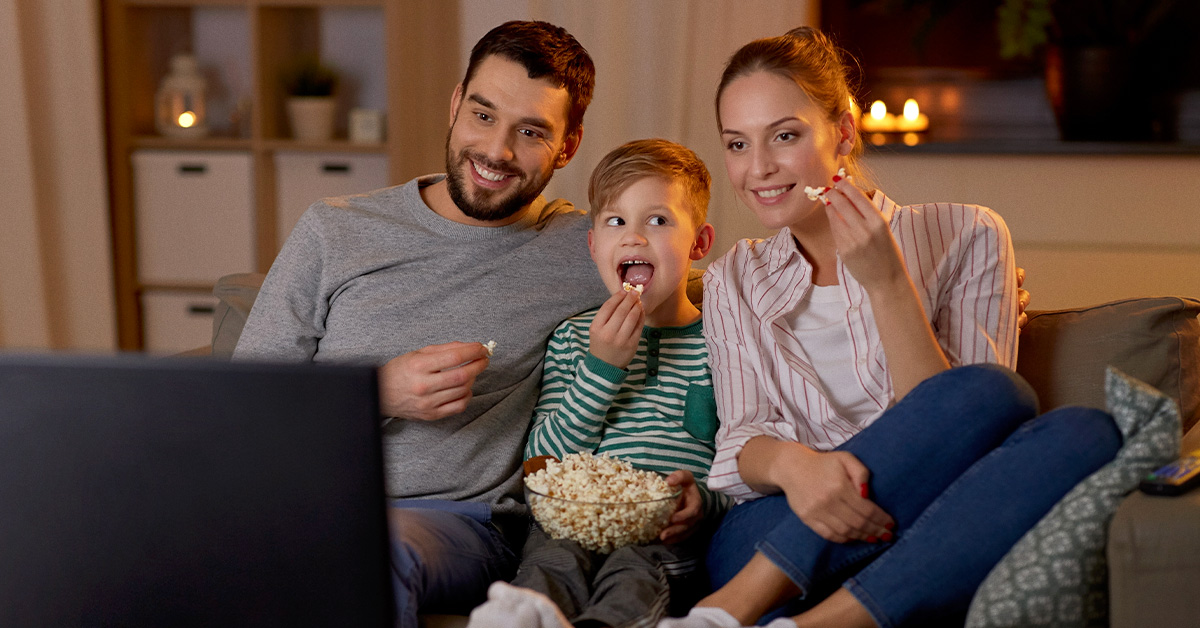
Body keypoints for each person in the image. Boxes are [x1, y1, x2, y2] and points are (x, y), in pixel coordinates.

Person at [659, 27, 1121, 628]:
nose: (759, 169)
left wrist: (887, 286)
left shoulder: (969, 235)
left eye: (786, 136)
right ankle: (739, 598)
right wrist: (801, 469)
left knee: (1080, 429)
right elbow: (741, 438)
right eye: (737, 144)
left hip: (930, 515)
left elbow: (967, 429)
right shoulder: (734, 278)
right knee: (995, 393)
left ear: (844, 132)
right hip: (772, 529)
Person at [233, 21, 610, 626]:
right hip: (307, 504)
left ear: (567, 146)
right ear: (456, 104)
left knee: (363, 555)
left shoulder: (591, 249)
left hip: (461, 526)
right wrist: (376, 392)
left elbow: (717, 286)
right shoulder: (336, 228)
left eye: (531, 131)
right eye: (483, 116)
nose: (496, 151)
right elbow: (244, 407)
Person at [465, 139, 731, 628]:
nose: (633, 238)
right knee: (550, 564)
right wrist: (601, 368)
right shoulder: (572, 338)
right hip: (570, 523)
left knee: (635, 575)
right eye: (615, 221)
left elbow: (738, 464)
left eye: (658, 220)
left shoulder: (724, 345)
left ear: (698, 244)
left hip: (663, 535)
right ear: (594, 246)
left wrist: (705, 503)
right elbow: (541, 465)